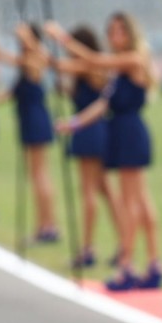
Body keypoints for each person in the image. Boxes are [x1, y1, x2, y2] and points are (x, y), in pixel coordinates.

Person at [46, 13, 162, 291]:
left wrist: (61, 38)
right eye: (111, 31)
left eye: (120, 31)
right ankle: (154, 263)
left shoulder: (133, 59)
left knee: (131, 202)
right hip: (120, 131)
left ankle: (127, 265)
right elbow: (102, 105)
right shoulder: (119, 68)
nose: (114, 36)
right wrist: (73, 123)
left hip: (131, 131)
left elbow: (94, 60)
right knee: (140, 202)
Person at [0, 19, 59, 242]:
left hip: (36, 119)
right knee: (37, 174)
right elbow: (10, 92)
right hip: (28, 119)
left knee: (40, 175)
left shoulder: (35, 58)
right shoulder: (25, 62)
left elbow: (2, 55)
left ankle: (47, 226)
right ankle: (46, 224)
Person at [51, 26, 123, 268]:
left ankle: (88, 247)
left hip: (88, 130)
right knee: (105, 190)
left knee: (89, 191)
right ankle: (124, 243)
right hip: (96, 130)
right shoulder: (90, 70)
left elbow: (59, 64)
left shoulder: (90, 66)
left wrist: (57, 40)